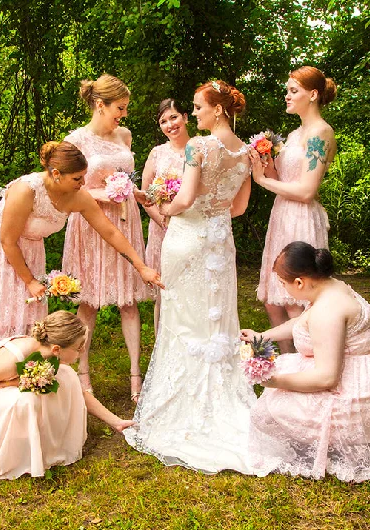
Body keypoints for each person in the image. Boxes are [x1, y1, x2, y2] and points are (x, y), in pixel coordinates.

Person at [124, 80, 256, 474]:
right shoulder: (246, 151)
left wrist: (161, 205)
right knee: (215, 316)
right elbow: (240, 207)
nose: (194, 114)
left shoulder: (200, 147)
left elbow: (184, 199)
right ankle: (218, 392)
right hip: (220, 241)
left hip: (186, 239)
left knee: (182, 318)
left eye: (198, 107)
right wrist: (210, 215)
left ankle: (182, 404)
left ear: (217, 109)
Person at [0, 140, 162, 343]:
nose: (83, 184)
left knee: (30, 318)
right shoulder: (26, 190)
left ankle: (25, 368)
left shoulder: (78, 196)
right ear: (56, 174)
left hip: (32, 249)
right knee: (6, 317)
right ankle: (4, 365)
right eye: (77, 178)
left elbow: (110, 232)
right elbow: (7, 241)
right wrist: (30, 281)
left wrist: (141, 266)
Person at [240, 242, 370, 482]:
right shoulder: (330, 286)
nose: (282, 289)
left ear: (299, 282)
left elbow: (326, 378)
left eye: (282, 283)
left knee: (267, 412)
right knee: (286, 371)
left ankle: (342, 439)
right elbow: (302, 323)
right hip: (360, 370)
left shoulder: (328, 311)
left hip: (356, 391)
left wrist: (274, 381)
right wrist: (262, 336)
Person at [0, 311, 135, 480]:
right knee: (27, 399)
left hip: (9, 380)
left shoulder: (48, 353)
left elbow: (80, 393)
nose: (83, 351)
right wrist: (11, 383)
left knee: (67, 377)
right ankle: (14, 454)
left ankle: (44, 443)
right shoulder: (11, 363)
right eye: (79, 347)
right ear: (57, 349)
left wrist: (115, 421)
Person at [62, 74, 150, 401]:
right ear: (100, 105)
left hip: (126, 223)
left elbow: (126, 178)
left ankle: (135, 378)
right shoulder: (75, 141)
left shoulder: (124, 136)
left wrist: (136, 193)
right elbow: (68, 189)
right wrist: (103, 193)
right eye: (120, 108)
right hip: (91, 225)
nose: (123, 115)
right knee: (89, 302)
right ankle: (83, 377)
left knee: (128, 302)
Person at [251, 66, 336, 353]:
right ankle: (287, 365)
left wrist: (263, 182)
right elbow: (284, 181)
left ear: (313, 94)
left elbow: (306, 190)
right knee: (273, 299)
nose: (286, 96)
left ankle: (309, 364)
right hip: (281, 215)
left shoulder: (320, 133)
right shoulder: (294, 133)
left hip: (300, 217)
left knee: (295, 300)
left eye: (293, 90)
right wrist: (266, 167)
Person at [140, 98, 190, 332]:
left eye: (174, 117)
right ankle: (163, 343)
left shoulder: (199, 149)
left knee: (191, 287)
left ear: (186, 117)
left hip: (192, 226)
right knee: (165, 289)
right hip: (162, 229)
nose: (170, 124)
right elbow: (146, 195)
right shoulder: (157, 153)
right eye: (163, 121)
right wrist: (163, 221)